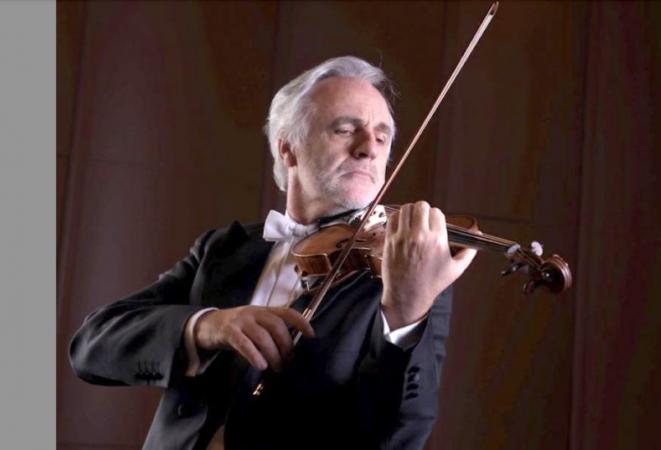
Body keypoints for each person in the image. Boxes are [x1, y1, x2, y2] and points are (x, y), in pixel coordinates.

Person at [69, 56, 477, 450]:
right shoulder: (224, 250)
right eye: (344, 129)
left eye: (382, 136)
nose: (369, 148)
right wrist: (205, 327)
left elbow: (398, 438)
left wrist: (406, 314)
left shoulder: (409, 268)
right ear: (288, 150)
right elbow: (91, 346)